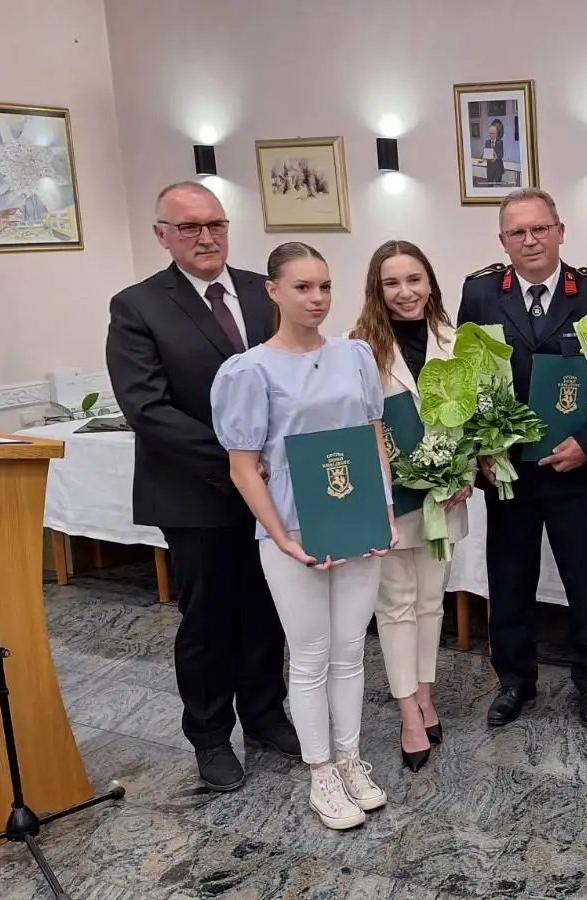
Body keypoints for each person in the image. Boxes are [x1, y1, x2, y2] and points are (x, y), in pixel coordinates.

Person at [105, 182, 298, 792]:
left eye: (215, 224)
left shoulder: (259, 291)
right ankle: (210, 737)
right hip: (196, 492)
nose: (206, 237)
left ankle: (266, 714)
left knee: (269, 608)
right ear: (161, 234)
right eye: (189, 228)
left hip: (273, 492)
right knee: (210, 620)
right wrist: (236, 464)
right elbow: (147, 409)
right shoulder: (137, 306)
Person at [210, 241, 397, 830]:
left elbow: (372, 439)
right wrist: (280, 537)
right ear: (273, 291)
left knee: (350, 651)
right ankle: (320, 773)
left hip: (357, 522)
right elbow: (243, 467)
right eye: (302, 288)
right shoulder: (250, 370)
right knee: (311, 653)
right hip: (292, 532)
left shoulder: (355, 355)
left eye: (324, 287)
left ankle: (350, 759)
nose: (316, 299)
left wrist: (385, 512)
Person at [456, 187, 587, 729]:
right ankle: (514, 682)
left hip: (577, 467)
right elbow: (467, 380)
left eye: (540, 229)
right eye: (517, 232)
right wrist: (482, 444)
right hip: (507, 473)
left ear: (560, 230)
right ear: (503, 239)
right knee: (509, 581)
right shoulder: (480, 294)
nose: (530, 240)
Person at [349, 240, 470, 771]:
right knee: (395, 605)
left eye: (414, 280)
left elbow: (477, 416)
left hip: (445, 496)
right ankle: (407, 711)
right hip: (391, 500)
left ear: (431, 282)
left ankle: (425, 691)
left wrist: (464, 472)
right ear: (377, 290)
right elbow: (353, 428)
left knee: (431, 602)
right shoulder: (358, 349)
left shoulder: (456, 340)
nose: (405, 293)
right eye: (392, 283)